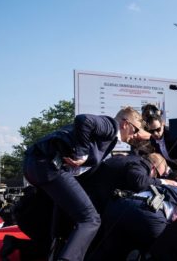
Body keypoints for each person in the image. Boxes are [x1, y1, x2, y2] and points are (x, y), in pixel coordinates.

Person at [22, 106, 143, 261]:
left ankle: (53, 253)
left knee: (61, 214)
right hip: (47, 165)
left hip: (37, 164)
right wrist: (82, 152)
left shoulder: (110, 138)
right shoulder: (110, 126)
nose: (136, 135)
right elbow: (83, 119)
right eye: (136, 130)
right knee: (90, 219)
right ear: (126, 124)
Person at [141, 104, 177, 171]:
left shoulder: (173, 134)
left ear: (163, 124)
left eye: (158, 129)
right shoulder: (152, 140)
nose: (155, 133)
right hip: (176, 170)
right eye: (151, 131)